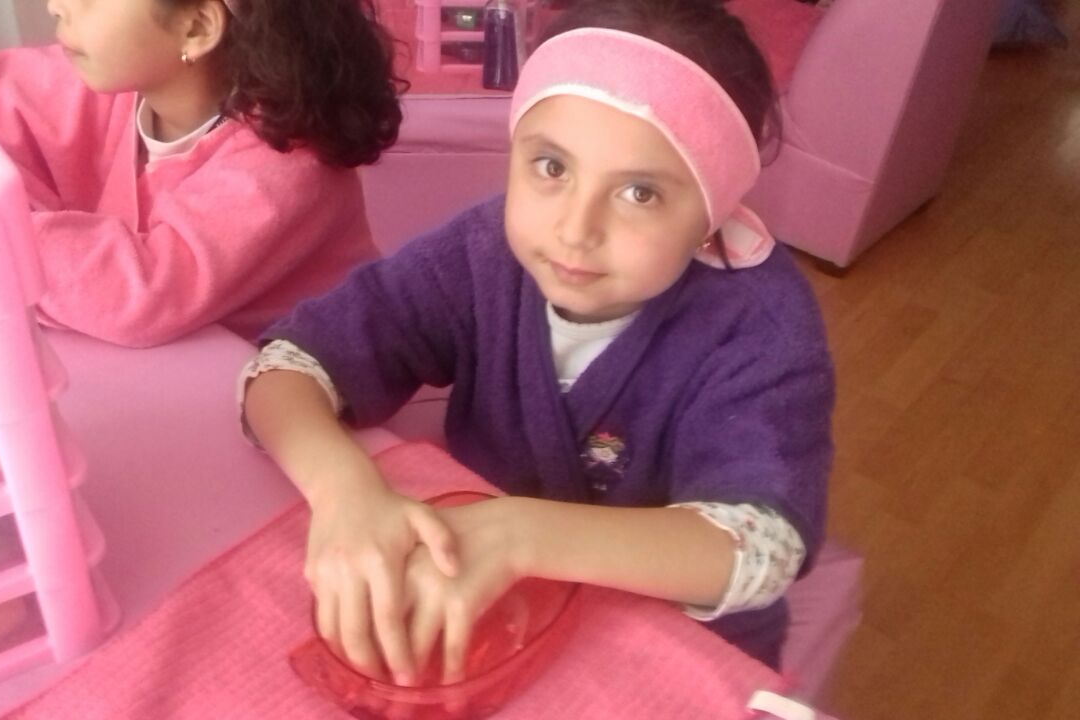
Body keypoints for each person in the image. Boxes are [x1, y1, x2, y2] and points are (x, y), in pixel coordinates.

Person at [242, 0, 834, 684]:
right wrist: (346, 491)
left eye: (640, 193)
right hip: (488, 599)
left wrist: (520, 536)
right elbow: (287, 370)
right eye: (552, 167)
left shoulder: (759, 327)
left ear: (713, 212)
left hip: (667, 649)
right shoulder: (480, 253)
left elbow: (758, 549)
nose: (575, 230)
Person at [0, 0, 401, 346]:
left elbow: (140, 296)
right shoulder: (121, 83)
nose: (56, 6)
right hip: (191, 374)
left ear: (196, 27)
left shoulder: (286, 165)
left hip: (317, 402)